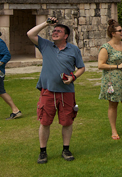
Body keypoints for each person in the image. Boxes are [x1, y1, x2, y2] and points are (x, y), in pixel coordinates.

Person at [27, 16, 85, 164]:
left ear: (66, 36)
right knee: (45, 122)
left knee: (67, 122)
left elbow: (82, 68)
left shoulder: (73, 49)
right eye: (54, 30)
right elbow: (30, 34)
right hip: (48, 90)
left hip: (66, 91)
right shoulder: (46, 45)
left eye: (58, 31)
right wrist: (46, 23)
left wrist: (73, 77)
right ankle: (43, 151)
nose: (54, 32)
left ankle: (66, 149)